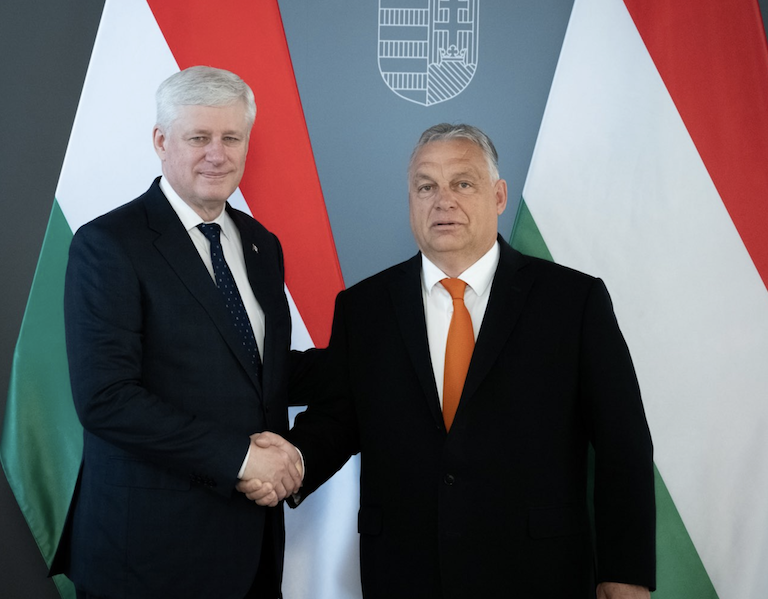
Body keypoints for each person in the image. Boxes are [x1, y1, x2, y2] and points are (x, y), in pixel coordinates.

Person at [246, 123, 656, 598]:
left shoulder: (573, 301)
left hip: (539, 572)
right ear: (410, 201)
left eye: (463, 183)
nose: (443, 200)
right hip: (405, 571)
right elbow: (339, 418)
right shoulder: (364, 308)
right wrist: (293, 459)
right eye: (426, 186)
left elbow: (622, 444)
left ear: (498, 196)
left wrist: (625, 573)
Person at [52, 66, 304, 599]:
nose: (217, 153)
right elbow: (106, 398)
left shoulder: (262, 244)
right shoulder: (109, 244)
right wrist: (241, 457)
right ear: (161, 141)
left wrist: (375, 357)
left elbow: (260, 368)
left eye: (231, 137)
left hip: (251, 551)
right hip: (147, 556)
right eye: (199, 137)